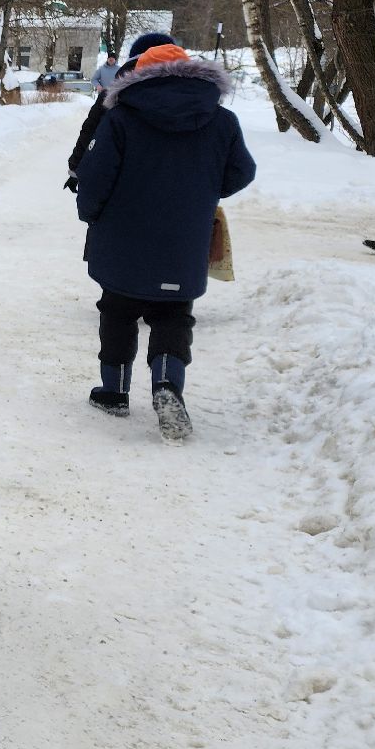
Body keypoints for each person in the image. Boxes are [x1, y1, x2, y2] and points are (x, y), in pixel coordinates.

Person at [75, 44, 256, 443]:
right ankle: (166, 386)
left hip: (123, 234)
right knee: (174, 315)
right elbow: (242, 172)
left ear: (141, 75)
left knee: (118, 310)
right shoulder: (222, 120)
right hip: (185, 237)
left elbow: (95, 177)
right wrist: (206, 191)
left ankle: (113, 392)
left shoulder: (121, 118)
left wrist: (89, 213)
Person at [65, 32, 174, 192]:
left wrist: (76, 169)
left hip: (119, 193)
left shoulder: (112, 94)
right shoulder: (198, 105)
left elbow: (90, 132)